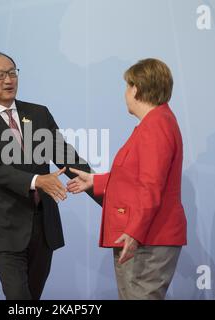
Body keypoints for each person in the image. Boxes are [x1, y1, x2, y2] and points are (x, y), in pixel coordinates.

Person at [0, 51, 95, 300]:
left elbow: (67, 157)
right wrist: (37, 181)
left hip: (43, 226)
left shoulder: (38, 113)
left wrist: (105, 190)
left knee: (33, 298)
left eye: (12, 72)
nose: (9, 80)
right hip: (4, 228)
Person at [67, 58, 187, 300]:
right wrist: (96, 181)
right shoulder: (156, 123)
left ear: (137, 89)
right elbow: (135, 175)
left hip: (147, 240)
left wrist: (134, 232)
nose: (125, 93)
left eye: (127, 86)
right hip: (146, 236)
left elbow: (151, 185)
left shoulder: (156, 126)